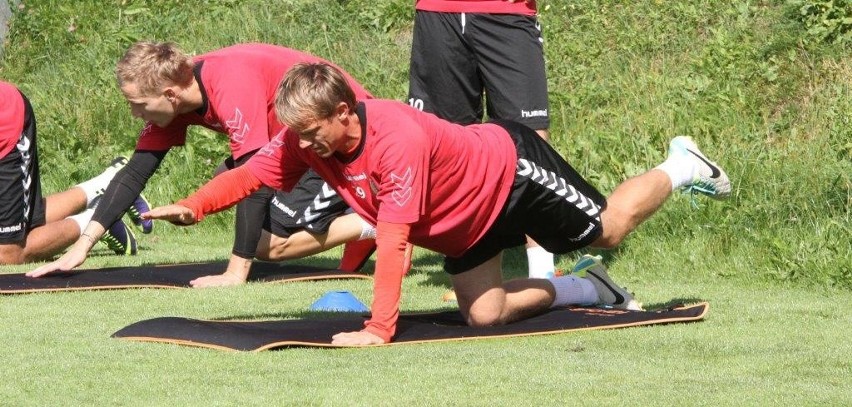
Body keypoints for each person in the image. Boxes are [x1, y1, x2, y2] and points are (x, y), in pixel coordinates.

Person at [138, 63, 731, 346]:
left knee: (607, 228)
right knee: (485, 317)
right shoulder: (304, 141)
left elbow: (393, 241)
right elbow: (255, 174)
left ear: (345, 112)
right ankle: (590, 289)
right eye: (297, 132)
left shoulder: (397, 139)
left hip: (511, 174)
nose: (304, 142)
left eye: (313, 129)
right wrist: (193, 205)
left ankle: (682, 164)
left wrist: (378, 329)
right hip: (463, 224)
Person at [27, 42, 376, 284]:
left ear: (169, 94)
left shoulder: (230, 83)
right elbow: (135, 173)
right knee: (223, 183)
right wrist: (82, 245)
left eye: (137, 103)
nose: (134, 113)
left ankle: (370, 221)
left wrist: (236, 271)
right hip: (296, 148)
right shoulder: (176, 103)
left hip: (342, 141)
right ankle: (355, 217)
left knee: (263, 245)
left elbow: (253, 177)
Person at [408, 0, 556, 278]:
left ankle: (543, 274)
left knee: (529, 140)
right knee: (443, 142)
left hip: (506, 16)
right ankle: (470, 272)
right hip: (437, 13)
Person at [0, 80, 149, 265]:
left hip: (5, 124)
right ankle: (105, 183)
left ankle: (98, 219)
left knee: (7, 254)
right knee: (25, 222)